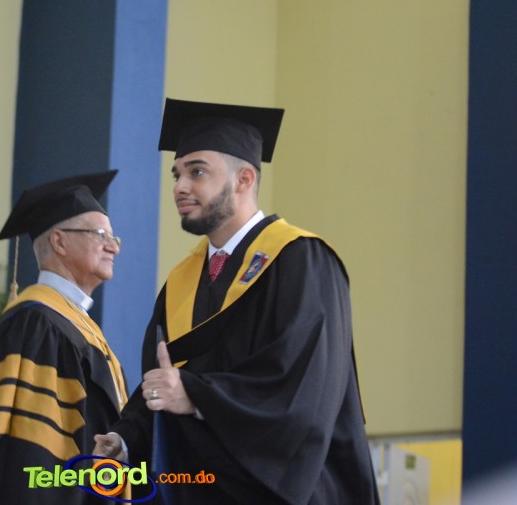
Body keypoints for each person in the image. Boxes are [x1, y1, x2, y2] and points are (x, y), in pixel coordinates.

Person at [94, 98, 380, 503]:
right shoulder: (182, 281)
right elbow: (165, 381)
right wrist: (127, 438)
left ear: (244, 179)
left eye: (197, 172)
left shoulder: (301, 260)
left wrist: (195, 395)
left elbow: (303, 389)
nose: (179, 187)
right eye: (177, 174)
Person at [0, 170, 129, 504]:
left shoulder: (81, 328)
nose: (113, 246)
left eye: (114, 237)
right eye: (101, 234)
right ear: (59, 241)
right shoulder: (36, 323)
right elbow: (34, 448)